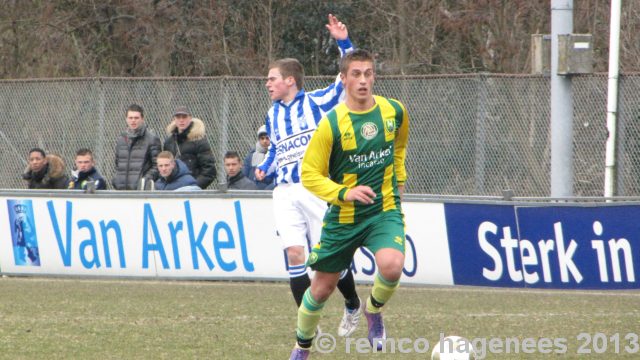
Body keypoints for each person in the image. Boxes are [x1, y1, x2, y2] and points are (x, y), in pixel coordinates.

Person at [289, 49, 409, 359]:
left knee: (392, 266)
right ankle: (302, 347)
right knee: (321, 290)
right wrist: (345, 193)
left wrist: (400, 181)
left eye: (368, 74)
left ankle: (373, 312)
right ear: (343, 79)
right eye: (356, 74)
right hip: (343, 217)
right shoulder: (331, 124)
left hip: (383, 209)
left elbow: (399, 150)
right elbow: (309, 175)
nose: (363, 80)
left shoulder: (394, 111)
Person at [255, 14, 361, 341]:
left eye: (273, 79)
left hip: (315, 189)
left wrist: (343, 41)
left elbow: (350, 78)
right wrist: (265, 167)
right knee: (294, 255)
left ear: (290, 81)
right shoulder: (273, 114)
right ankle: (308, 328)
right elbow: (276, 149)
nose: (268, 83)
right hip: (284, 192)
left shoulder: (317, 102)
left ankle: (354, 304)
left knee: (326, 260)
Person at [163, 106, 217, 189]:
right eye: (178, 117)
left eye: (184, 117)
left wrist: (194, 186)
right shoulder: (169, 142)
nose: (181, 120)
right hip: (172, 189)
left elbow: (209, 171)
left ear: (190, 118)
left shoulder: (199, 140)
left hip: (192, 191)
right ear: (174, 119)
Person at [113, 104, 162, 190]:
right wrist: (117, 180)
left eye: (136, 118)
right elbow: (118, 163)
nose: (133, 121)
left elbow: (158, 166)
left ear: (142, 119)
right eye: (130, 118)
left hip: (140, 192)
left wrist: (144, 181)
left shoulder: (152, 139)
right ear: (126, 119)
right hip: (121, 190)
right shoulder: (121, 139)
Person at [242, 125, 275, 190]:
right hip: (251, 192)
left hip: (269, 194)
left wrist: (266, 191)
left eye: (267, 138)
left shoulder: (276, 156)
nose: (264, 141)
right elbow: (244, 176)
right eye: (262, 138)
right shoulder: (251, 156)